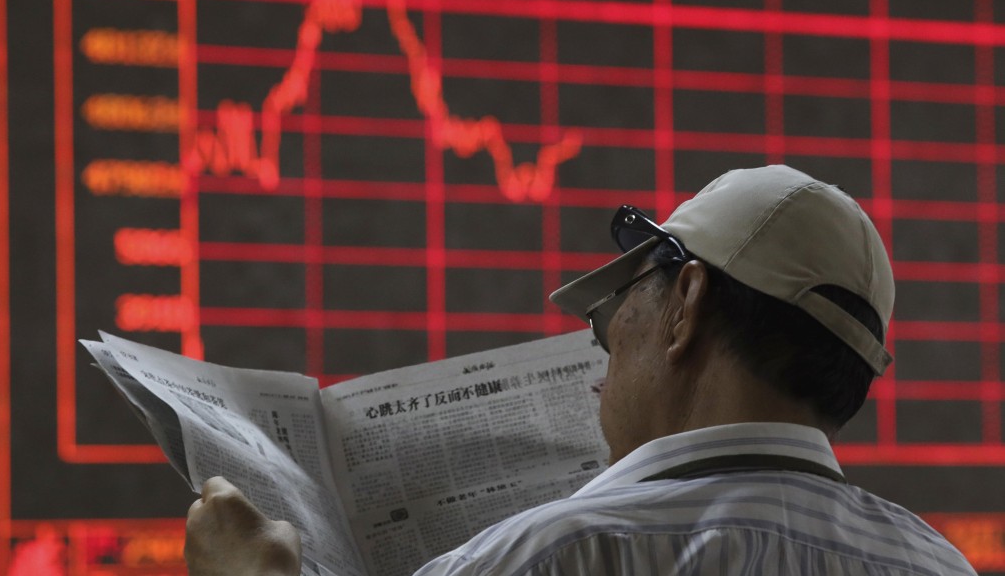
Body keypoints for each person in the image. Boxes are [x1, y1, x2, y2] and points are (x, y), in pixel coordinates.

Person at [185, 165, 977, 575]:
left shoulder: (549, 558)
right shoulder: (938, 565)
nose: (603, 348)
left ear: (686, 305)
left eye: (616, 307)